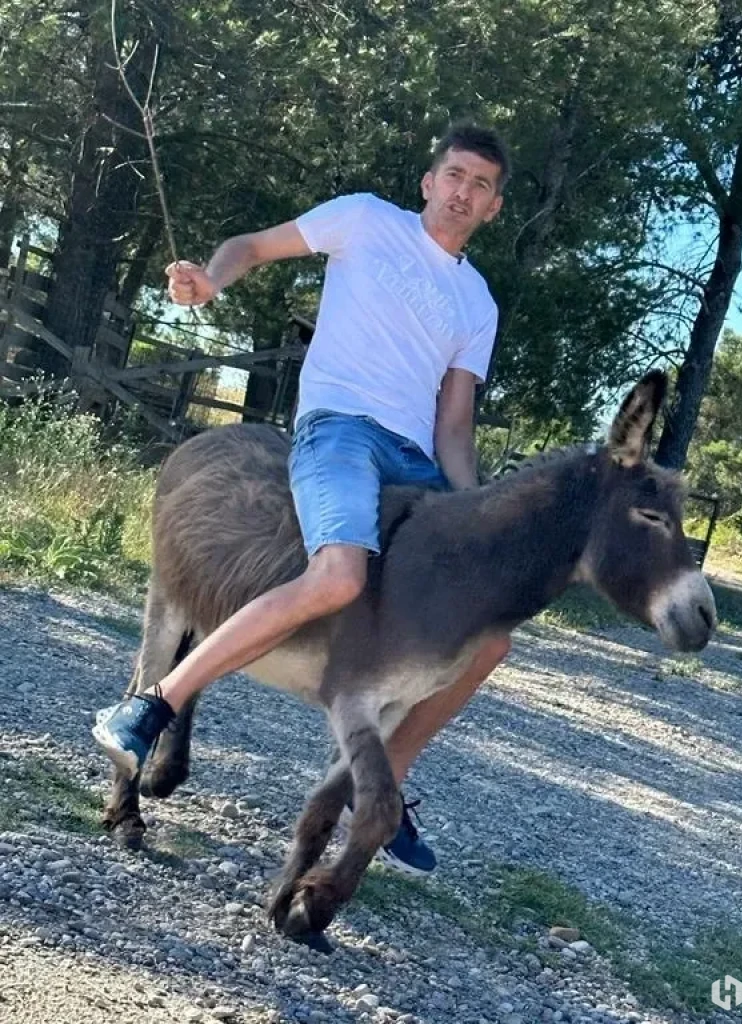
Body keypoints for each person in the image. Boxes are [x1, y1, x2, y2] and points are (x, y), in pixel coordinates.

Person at [93, 122, 513, 876]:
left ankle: (380, 787)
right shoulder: (362, 220)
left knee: (488, 639)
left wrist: (475, 512)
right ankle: (151, 705)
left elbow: (454, 424)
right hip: (340, 432)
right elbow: (250, 247)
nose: (463, 192)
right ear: (428, 182)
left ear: (493, 207)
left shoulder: (477, 303)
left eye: (480, 185)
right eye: (454, 175)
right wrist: (213, 280)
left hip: (413, 459)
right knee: (340, 576)